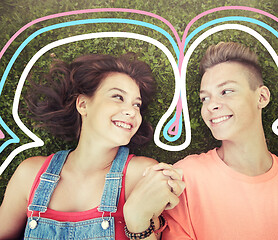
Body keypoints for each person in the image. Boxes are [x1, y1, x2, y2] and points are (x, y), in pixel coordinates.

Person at [0, 53, 185, 239]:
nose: (131, 111)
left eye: (137, 104)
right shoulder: (30, 174)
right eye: (118, 97)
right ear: (82, 104)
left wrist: (137, 219)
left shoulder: (142, 174)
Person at [162, 42, 278, 239]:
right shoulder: (185, 180)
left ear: (261, 97)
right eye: (205, 98)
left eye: (226, 91)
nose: (211, 106)